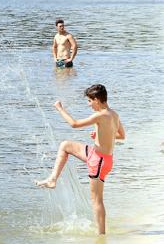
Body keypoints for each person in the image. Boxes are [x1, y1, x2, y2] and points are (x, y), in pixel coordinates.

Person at [36, 84, 126, 235]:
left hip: (98, 162)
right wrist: (98, 136)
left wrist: (59, 108)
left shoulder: (100, 115)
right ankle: (52, 179)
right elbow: (121, 136)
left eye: (90, 101)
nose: (89, 104)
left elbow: (74, 124)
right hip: (102, 157)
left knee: (97, 200)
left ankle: (101, 236)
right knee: (65, 146)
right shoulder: (114, 114)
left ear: (97, 100)